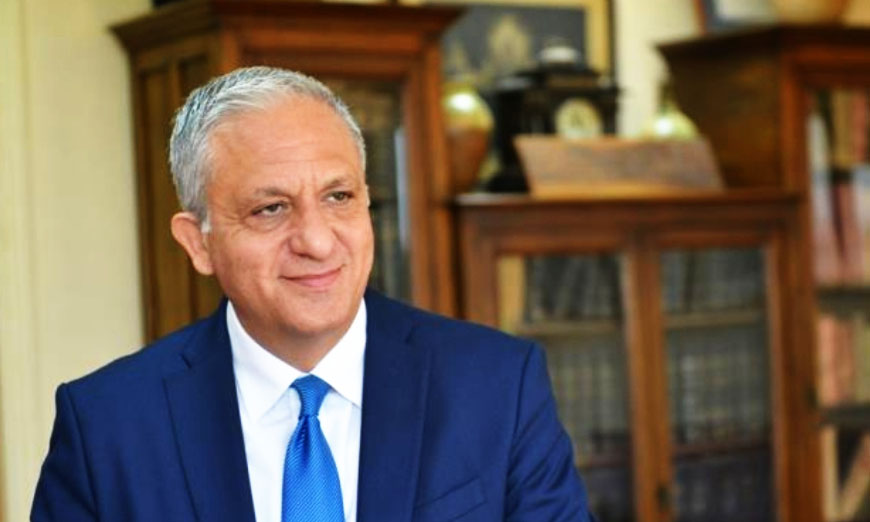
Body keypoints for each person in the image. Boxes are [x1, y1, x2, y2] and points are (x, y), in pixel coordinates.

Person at [31, 66, 595, 522]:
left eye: (338, 197)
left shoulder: (498, 386)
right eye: (270, 208)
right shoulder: (107, 427)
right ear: (198, 243)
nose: (318, 242)